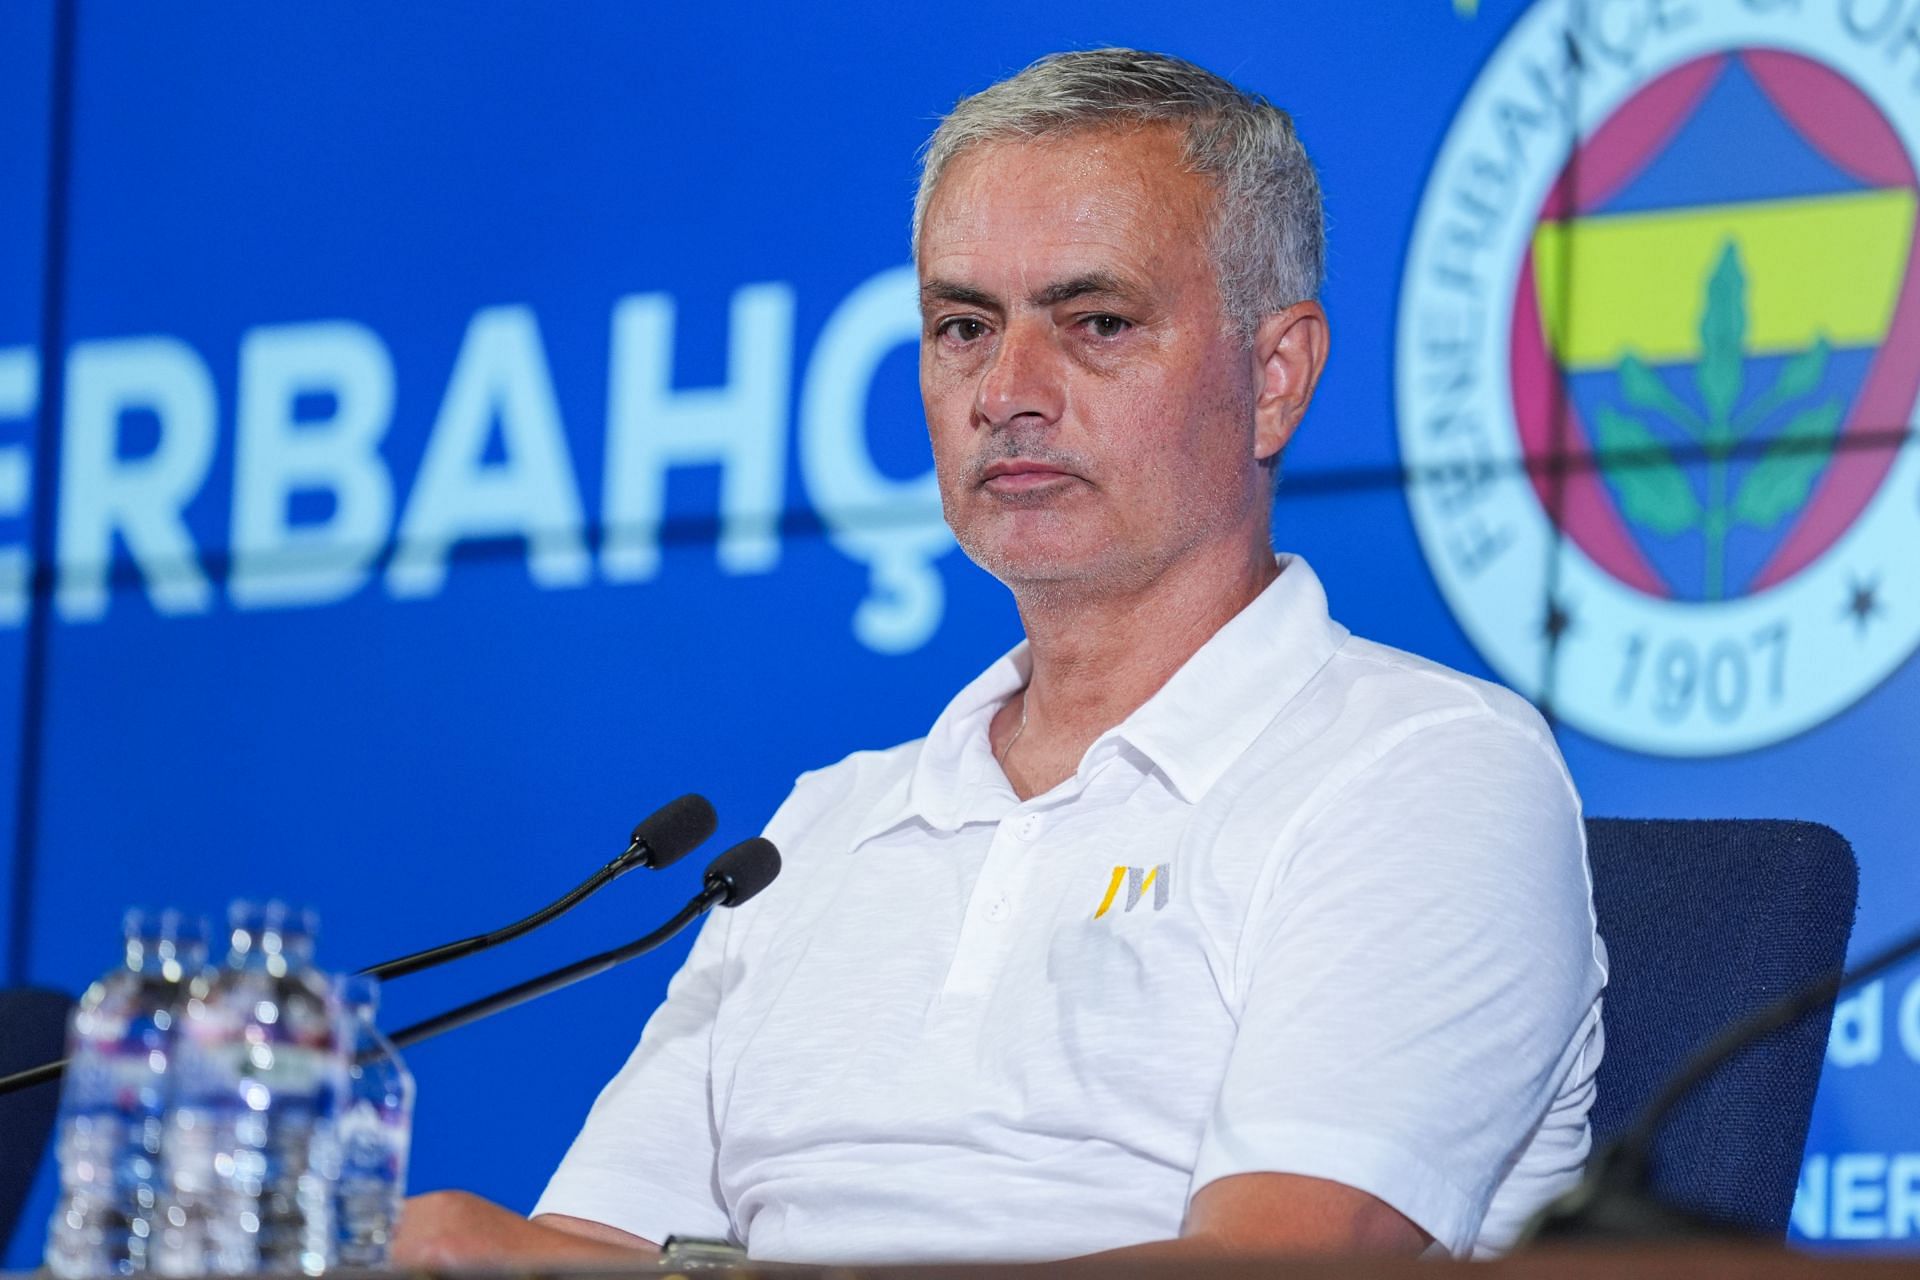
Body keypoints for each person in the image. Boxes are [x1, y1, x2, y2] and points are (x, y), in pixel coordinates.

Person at [394, 47, 1606, 1265]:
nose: (1007, 391)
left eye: (1097, 323)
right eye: (962, 325)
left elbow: (1278, 1263)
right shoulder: (815, 835)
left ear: (1275, 376)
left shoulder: (1422, 770)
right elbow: (586, 1246)